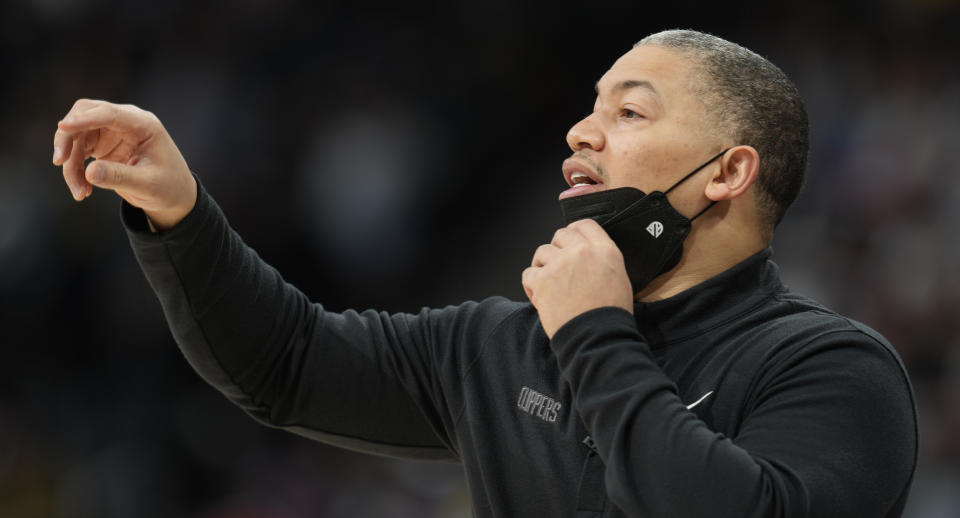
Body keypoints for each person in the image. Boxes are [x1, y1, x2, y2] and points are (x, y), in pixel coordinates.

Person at [52, 30, 918, 517]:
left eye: (627, 111)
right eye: (589, 107)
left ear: (728, 173)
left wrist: (592, 333)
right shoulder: (503, 347)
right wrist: (180, 212)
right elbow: (283, 363)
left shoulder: (833, 371)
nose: (582, 131)